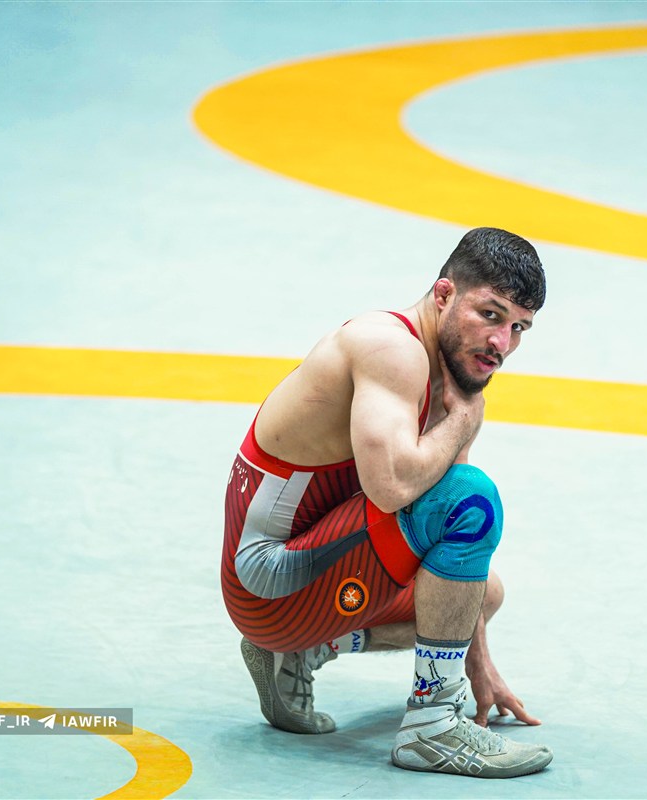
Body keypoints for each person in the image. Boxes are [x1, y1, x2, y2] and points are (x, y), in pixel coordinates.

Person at [220, 227, 552, 778]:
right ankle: (432, 726)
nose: (501, 342)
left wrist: (480, 665)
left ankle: (303, 651)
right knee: (471, 500)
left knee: (481, 595)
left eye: (518, 327)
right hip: (265, 582)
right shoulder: (390, 348)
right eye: (490, 315)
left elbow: (449, 549)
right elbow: (392, 489)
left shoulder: (453, 379)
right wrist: (465, 420)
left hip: (306, 574)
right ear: (443, 294)